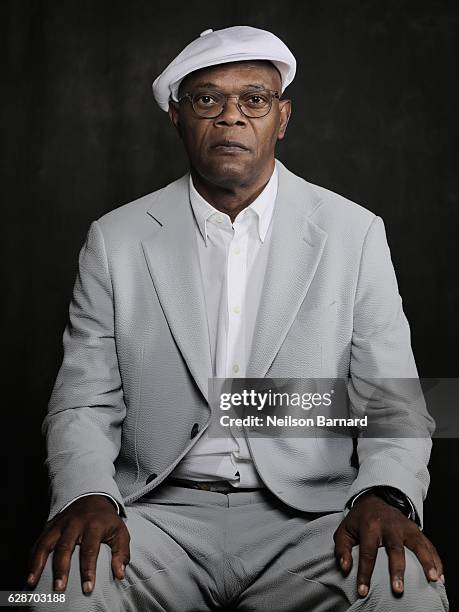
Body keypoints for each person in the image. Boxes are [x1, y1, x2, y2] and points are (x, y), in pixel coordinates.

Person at [26, 26, 449, 611]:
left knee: (413, 594)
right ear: (177, 115)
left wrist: (385, 494)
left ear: (283, 117)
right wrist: (86, 496)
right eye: (207, 99)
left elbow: (395, 403)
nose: (231, 117)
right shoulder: (116, 239)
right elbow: (82, 402)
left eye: (254, 99)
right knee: (52, 592)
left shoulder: (354, 233)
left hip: (312, 521)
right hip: (155, 516)